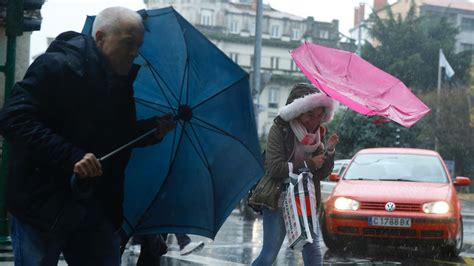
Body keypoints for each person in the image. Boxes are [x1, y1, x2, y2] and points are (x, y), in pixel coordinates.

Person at [0, 6, 176, 265]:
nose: (135, 52)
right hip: (42, 205)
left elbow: (114, 138)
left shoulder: (121, 83)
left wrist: (150, 130)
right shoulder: (56, 67)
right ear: (101, 38)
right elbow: (14, 118)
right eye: (129, 43)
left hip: (95, 208)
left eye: (139, 44)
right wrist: (72, 157)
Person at [249, 83, 339, 265]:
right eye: (309, 114)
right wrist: (309, 164)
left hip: (304, 200)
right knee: (269, 255)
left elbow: (320, 174)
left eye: (319, 115)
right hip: (278, 197)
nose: (314, 120)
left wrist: (328, 152)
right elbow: (274, 168)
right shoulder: (280, 129)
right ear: (297, 111)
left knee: (313, 253)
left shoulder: (319, 135)